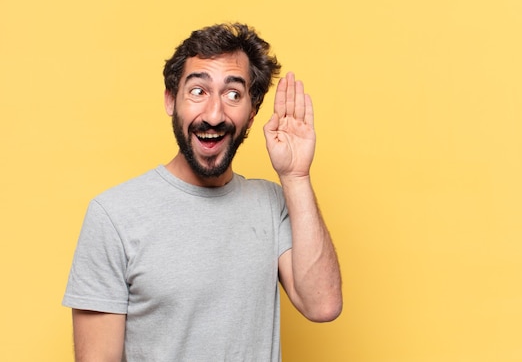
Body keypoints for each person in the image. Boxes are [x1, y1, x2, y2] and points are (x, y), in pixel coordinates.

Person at [62, 23, 342, 361]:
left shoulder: (272, 203)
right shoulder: (114, 216)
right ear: (171, 100)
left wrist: (296, 176)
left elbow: (323, 304)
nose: (213, 114)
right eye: (198, 91)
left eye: (233, 94)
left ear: (252, 114)